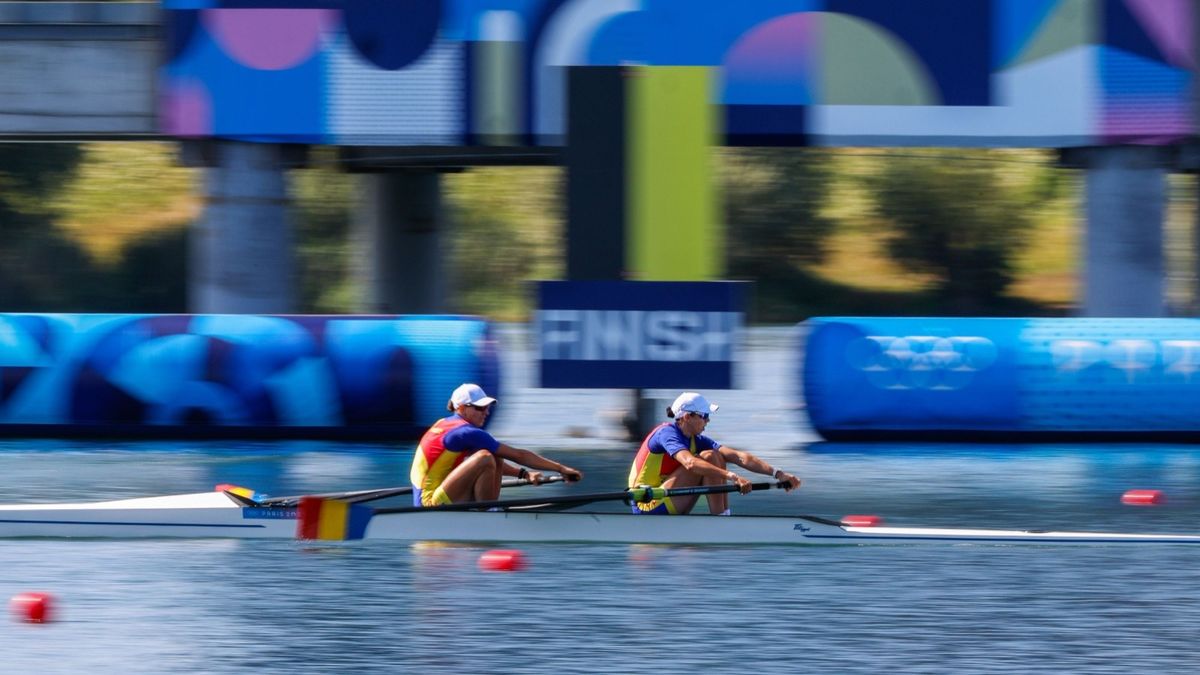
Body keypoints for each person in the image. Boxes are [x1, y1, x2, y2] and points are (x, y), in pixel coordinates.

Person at [410, 383, 584, 507]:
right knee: (485, 457)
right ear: (461, 408)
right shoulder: (465, 432)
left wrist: (524, 474)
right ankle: (488, 510)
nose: (486, 412)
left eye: (487, 407)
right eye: (479, 408)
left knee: (493, 455)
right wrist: (561, 468)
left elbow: (495, 462)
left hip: (438, 494)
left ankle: (487, 507)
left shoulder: (443, 423)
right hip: (431, 503)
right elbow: (519, 455)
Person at [627, 392, 801, 515]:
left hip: (668, 497)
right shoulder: (666, 433)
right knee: (708, 457)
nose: (708, 420)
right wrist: (732, 476)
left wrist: (778, 473)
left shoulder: (697, 439)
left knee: (716, 455)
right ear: (687, 417)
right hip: (647, 504)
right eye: (704, 415)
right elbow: (690, 463)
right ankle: (720, 522)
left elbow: (739, 456)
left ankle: (723, 516)